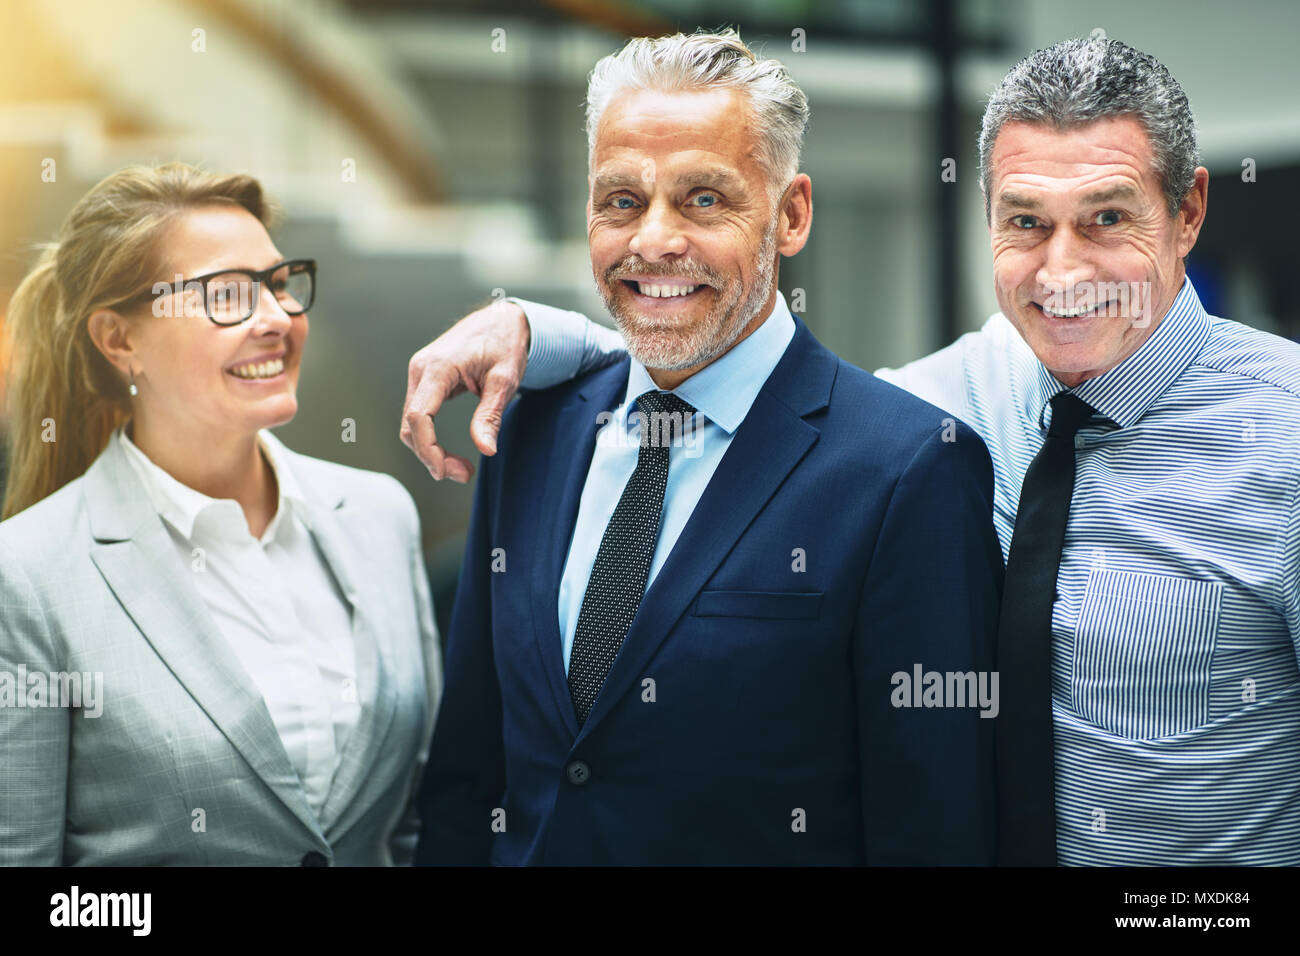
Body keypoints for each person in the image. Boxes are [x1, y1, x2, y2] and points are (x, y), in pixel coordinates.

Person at [404, 35, 1300, 866]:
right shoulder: (941, 403)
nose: (1061, 271)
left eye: (1106, 218)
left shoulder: (1280, 433)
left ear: (1188, 213)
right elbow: (699, 352)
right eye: (1025, 222)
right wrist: (530, 326)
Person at [413, 30, 1002, 866]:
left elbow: (933, 826)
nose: (653, 241)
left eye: (702, 200)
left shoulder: (907, 468)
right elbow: (469, 779)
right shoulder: (529, 430)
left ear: (790, 214)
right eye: (621, 201)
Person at [0, 162, 442, 865]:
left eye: (276, 284)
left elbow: (418, 822)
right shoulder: (28, 574)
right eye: (227, 295)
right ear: (120, 340)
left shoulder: (377, 514)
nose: (276, 319)